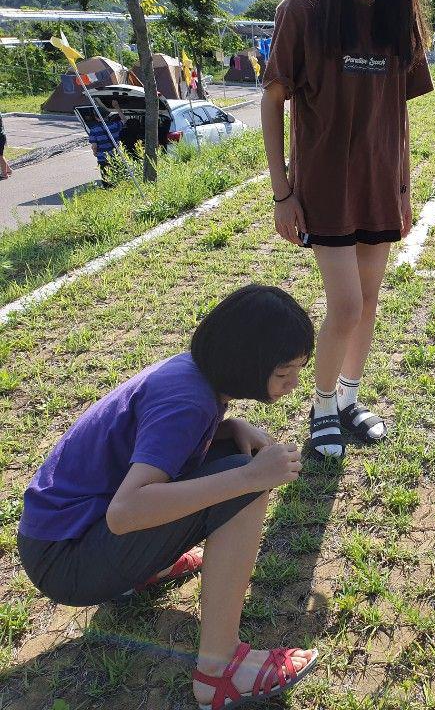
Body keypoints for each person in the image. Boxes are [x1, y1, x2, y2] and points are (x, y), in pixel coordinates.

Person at [17, 285, 320, 710]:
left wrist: (229, 429)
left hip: (60, 540)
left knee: (236, 458)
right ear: (246, 361)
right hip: (66, 562)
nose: (293, 384)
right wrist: (250, 477)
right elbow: (125, 513)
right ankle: (220, 673)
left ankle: (148, 564)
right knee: (242, 478)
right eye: (285, 372)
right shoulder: (188, 402)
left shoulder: (191, 374)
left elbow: (151, 449)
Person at [261, 0, 433, 459]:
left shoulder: (399, 9)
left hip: (379, 183)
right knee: (347, 305)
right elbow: (273, 98)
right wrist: (282, 192)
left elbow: (401, 112)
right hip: (325, 186)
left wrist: (404, 186)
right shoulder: (304, 9)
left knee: (369, 299)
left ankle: (349, 399)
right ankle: (322, 408)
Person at [88, 108, 125, 186]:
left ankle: (108, 189)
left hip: (103, 158)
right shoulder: (114, 125)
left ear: (95, 117)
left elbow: (94, 146)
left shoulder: (94, 130)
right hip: (115, 156)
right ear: (108, 115)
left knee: (106, 179)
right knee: (118, 177)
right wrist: (117, 108)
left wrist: (95, 153)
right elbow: (124, 120)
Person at [0, 111, 13, 180]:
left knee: (0, 156)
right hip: (2, 136)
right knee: (1, 155)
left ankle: (4, 174)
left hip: (0, 136)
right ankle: (8, 170)